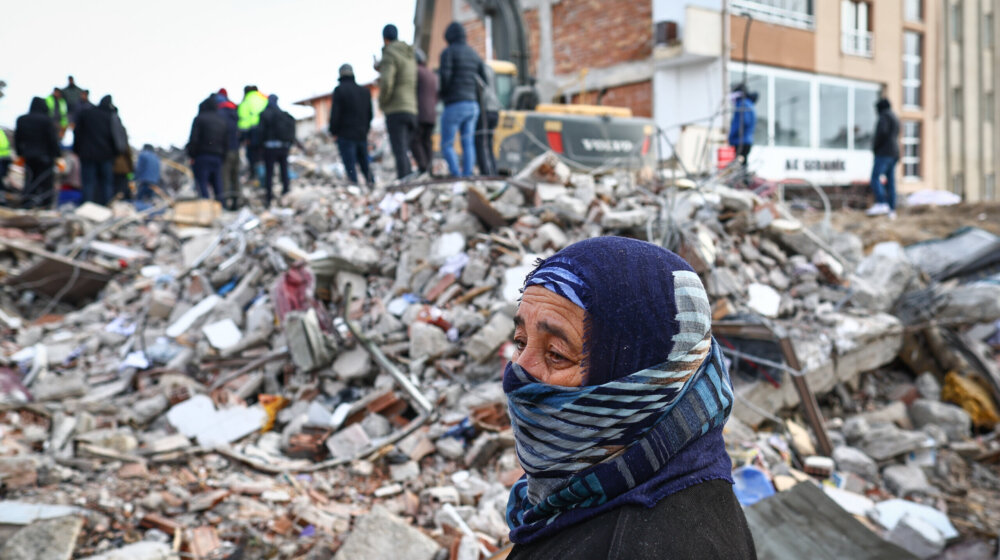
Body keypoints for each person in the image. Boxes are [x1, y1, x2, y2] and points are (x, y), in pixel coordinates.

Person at [503, 237, 757, 559]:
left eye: (556, 354)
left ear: (646, 382)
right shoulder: (593, 482)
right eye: (521, 341)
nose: (517, 374)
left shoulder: (648, 547)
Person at [439, 22, 485, 177]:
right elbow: (484, 81)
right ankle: (468, 174)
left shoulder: (448, 52)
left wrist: (443, 94)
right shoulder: (474, 54)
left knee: (447, 144)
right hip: (473, 105)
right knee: (468, 143)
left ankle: (456, 175)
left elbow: (445, 77)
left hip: (455, 103)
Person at [377, 23, 418, 179]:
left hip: (396, 108)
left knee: (399, 149)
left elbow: (387, 82)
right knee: (406, 148)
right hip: (411, 108)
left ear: (385, 39)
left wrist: (382, 102)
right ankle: (409, 177)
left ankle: (404, 181)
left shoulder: (390, 53)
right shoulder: (408, 54)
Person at [328, 64, 373, 185]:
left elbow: (335, 114)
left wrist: (333, 131)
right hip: (361, 133)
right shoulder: (364, 91)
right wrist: (365, 129)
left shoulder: (339, 90)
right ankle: (370, 182)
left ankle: (355, 185)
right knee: (364, 161)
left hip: (345, 134)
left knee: (350, 162)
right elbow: (370, 114)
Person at [15, 97, 61, 208]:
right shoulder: (47, 120)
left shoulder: (22, 119)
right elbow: (52, 140)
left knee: (30, 180)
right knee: (45, 182)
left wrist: (20, 153)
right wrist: (57, 155)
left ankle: (27, 203)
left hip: (29, 156)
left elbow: (18, 138)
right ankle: (45, 204)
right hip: (46, 157)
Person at [74, 95, 118, 205]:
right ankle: (106, 206)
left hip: (88, 154)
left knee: (88, 183)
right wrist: (115, 153)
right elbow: (116, 136)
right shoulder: (109, 116)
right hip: (105, 155)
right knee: (106, 183)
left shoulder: (87, 114)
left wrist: (77, 150)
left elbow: (77, 133)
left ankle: (87, 207)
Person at [187, 96, 228, 200]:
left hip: (202, 156)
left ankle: (205, 206)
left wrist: (192, 155)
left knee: (202, 183)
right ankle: (221, 207)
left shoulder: (199, 119)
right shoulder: (222, 121)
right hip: (217, 157)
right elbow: (226, 142)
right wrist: (223, 156)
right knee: (217, 183)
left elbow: (194, 139)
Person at [258, 94, 296, 206]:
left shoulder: (264, 114)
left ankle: (269, 198)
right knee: (284, 170)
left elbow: (260, 132)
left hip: (269, 148)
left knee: (269, 173)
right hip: (283, 148)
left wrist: (260, 146)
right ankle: (286, 192)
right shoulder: (283, 114)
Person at [868, 97, 900, 219]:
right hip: (894, 153)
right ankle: (892, 210)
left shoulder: (884, 117)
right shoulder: (895, 117)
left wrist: (875, 147)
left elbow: (881, 133)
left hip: (884, 153)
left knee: (875, 177)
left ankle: (881, 203)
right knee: (890, 182)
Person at [410, 49, 437, 175]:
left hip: (420, 112)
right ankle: (429, 168)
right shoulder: (431, 74)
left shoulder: (416, 72)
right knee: (427, 141)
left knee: (415, 140)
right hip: (431, 113)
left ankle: (423, 167)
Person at [237, 85, 269, 182]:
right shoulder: (264, 99)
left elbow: (243, 122)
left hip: (252, 133)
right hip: (265, 133)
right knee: (264, 157)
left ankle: (256, 177)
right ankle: (265, 178)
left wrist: (243, 138)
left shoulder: (245, 103)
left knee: (253, 157)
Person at [216, 88, 241, 209]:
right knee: (235, 175)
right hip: (236, 148)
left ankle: (225, 203)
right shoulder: (234, 110)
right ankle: (236, 202)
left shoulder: (219, 111)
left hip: (224, 149)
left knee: (225, 176)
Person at [474, 65, 501, 176]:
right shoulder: (491, 70)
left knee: (481, 143)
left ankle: (486, 173)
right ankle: (492, 171)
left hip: (485, 109)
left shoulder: (478, 71)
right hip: (494, 109)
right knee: (488, 143)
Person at [728, 85, 757, 170]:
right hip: (746, 140)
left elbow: (742, 123)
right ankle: (744, 181)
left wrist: (732, 136)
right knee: (743, 164)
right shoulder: (749, 104)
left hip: (741, 140)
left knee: (739, 165)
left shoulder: (742, 104)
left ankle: (743, 182)